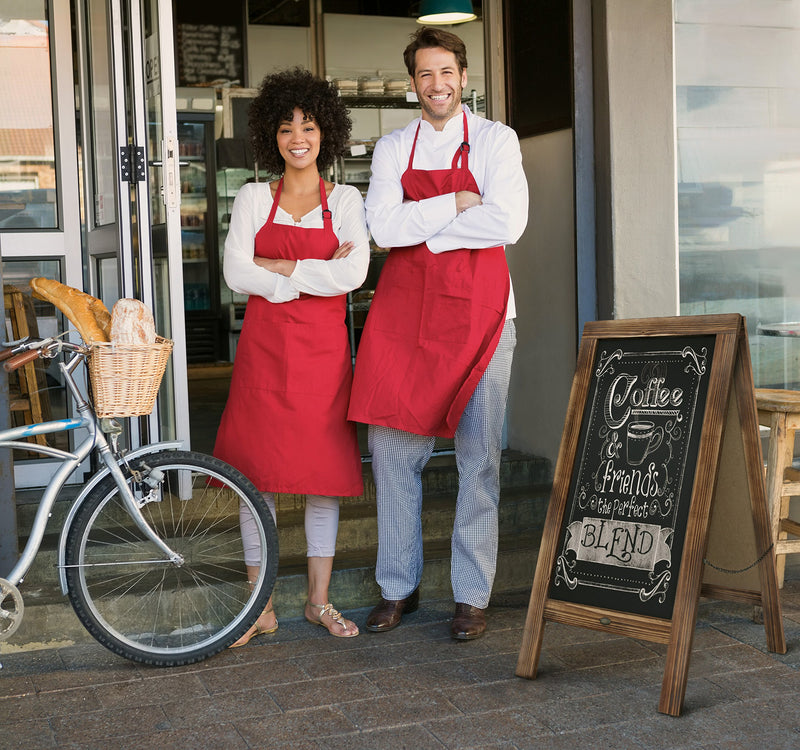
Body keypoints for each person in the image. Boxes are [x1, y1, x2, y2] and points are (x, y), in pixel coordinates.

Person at [348, 27, 528, 640]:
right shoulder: (394, 147)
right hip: (407, 321)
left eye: (446, 71)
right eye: (425, 74)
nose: (437, 84)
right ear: (413, 84)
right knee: (394, 455)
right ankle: (397, 587)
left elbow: (509, 221)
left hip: (483, 318)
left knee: (479, 461)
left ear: (463, 76)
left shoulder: (497, 141)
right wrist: (455, 202)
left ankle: (471, 598)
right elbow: (381, 226)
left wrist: (422, 229)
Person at [214, 68, 370, 644]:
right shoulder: (255, 196)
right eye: (286, 127)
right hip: (263, 354)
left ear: (325, 130)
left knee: (321, 479)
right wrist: (309, 275)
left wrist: (278, 268)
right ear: (270, 136)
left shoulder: (347, 199)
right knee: (260, 480)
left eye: (307, 125)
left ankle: (317, 602)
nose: (297, 137)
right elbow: (235, 272)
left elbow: (354, 272)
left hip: (324, 358)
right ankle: (260, 607)